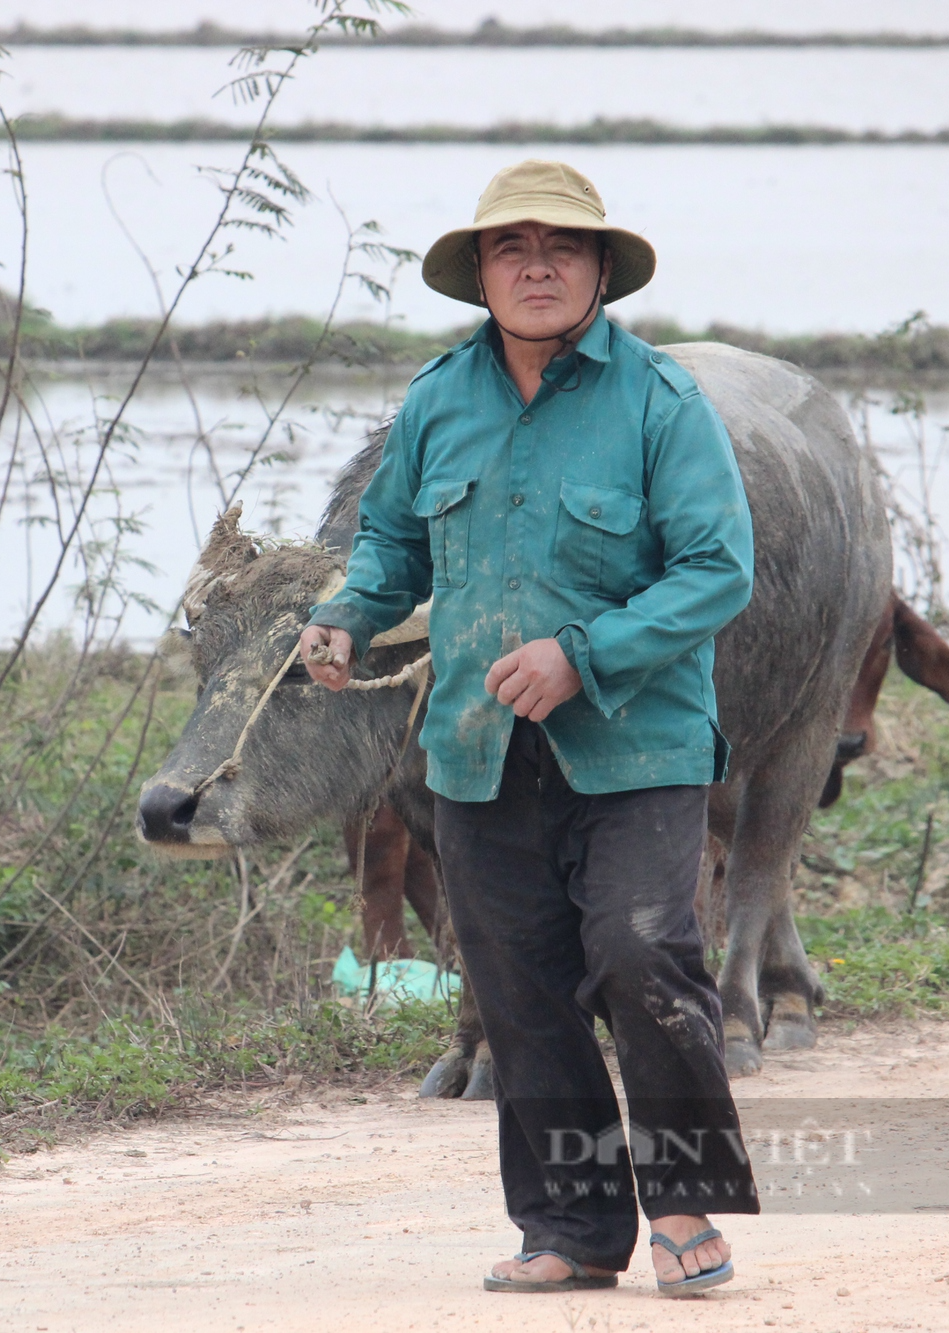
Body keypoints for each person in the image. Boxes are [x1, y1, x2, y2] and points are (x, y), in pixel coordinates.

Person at [299, 160, 760, 1296]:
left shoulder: (660, 403)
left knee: (639, 952)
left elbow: (717, 572)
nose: (537, 265)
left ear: (601, 271)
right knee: (518, 980)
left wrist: (580, 655)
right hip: (474, 744)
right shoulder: (434, 401)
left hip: (635, 743)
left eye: (562, 247)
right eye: (512, 248)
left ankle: (686, 1195)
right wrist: (344, 613)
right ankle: (571, 1225)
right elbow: (391, 545)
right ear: (481, 275)